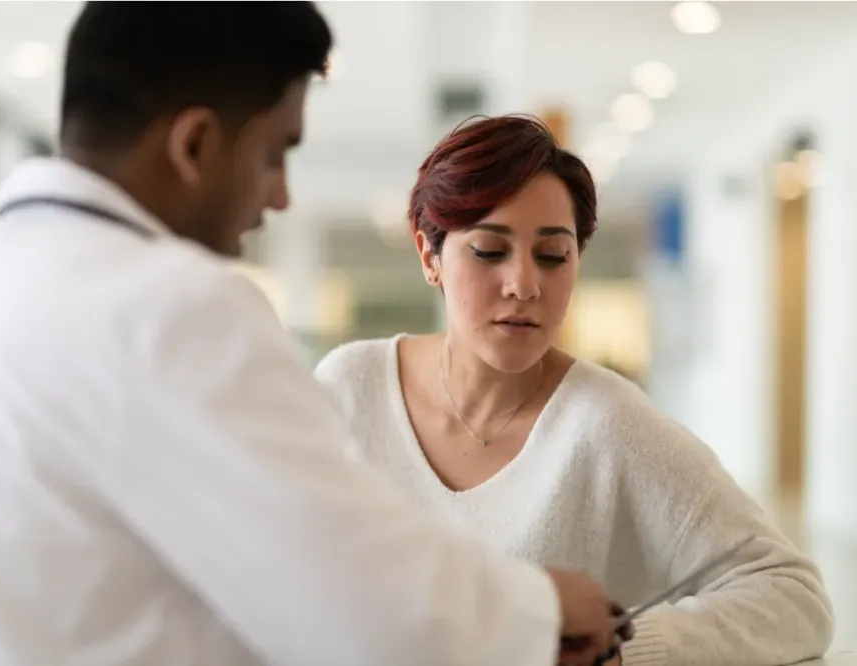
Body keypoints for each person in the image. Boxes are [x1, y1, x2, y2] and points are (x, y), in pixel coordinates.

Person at [0, 5, 621, 666]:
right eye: (274, 153)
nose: (281, 195)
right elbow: (359, 601)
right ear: (193, 146)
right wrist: (548, 610)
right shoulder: (171, 307)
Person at [314, 114, 836, 666]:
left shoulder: (606, 423)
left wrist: (614, 654)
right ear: (429, 256)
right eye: (490, 251)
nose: (524, 284)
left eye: (553, 255)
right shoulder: (351, 387)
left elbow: (794, 597)